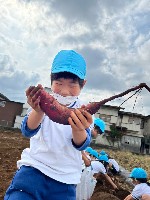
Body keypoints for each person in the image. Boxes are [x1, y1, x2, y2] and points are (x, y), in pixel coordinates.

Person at [4, 50, 93, 200]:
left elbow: (81, 144)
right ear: (51, 81)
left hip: (66, 180)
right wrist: (38, 111)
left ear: (83, 84)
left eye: (72, 85)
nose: (64, 91)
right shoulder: (42, 100)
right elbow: (28, 131)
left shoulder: (84, 111)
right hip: (33, 170)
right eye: (58, 84)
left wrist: (78, 129)